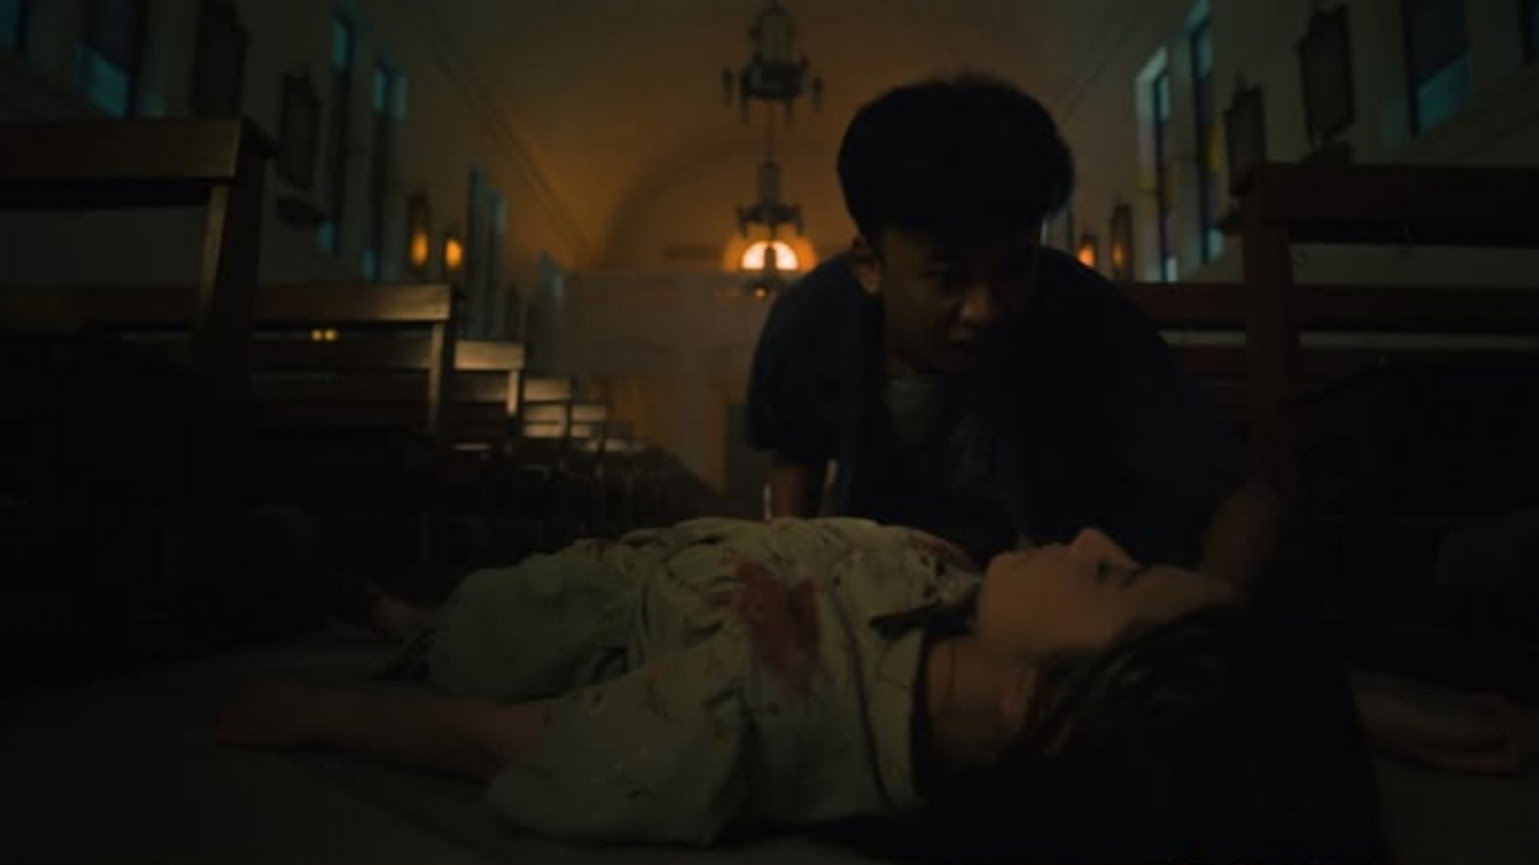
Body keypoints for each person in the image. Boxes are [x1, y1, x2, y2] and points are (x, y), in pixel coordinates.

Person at [220, 516, 1387, 862]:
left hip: (569, 612)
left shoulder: (775, 708)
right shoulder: (966, 608)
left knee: (467, 631)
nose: (1091, 537)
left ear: (1040, 706)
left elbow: (513, 738)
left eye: (1112, 574)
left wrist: (326, 713)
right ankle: (406, 615)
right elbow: (1192, 698)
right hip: (659, 559)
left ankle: (397, 620)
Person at [746, 73, 1247, 570]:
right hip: (889, 571)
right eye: (947, 277)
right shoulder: (811, 323)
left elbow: (1238, 492)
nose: (983, 310)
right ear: (870, 266)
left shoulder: (1080, 309)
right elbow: (796, 459)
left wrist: (1211, 602)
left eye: (1012, 271)